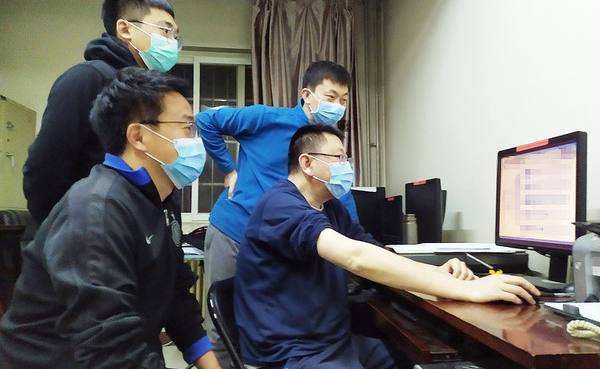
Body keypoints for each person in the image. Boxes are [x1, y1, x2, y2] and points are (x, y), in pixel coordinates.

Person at [234, 124, 541, 368]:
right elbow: (356, 258)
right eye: (338, 158)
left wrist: (436, 273)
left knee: (412, 357)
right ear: (307, 163)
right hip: (294, 351)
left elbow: (373, 251)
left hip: (334, 342)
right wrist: (467, 290)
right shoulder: (280, 205)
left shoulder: (330, 207)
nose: (346, 166)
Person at [0, 68, 220, 369]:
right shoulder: (97, 209)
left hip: (124, 349)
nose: (196, 140)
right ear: (139, 136)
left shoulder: (162, 199)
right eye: (187, 127)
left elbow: (175, 294)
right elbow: (108, 349)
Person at [196, 60, 359, 367]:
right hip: (234, 232)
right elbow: (206, 121)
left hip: (279, 247)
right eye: (331, 96)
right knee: (224, 327)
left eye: (343, 100)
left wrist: (356, 243)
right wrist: (228, 169)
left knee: (269, 326)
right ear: (307, 95)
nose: (337, 106)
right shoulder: (267, 118)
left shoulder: (327, 143)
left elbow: (340, 196)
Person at [22, 0, 182, 241]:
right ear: (125, 29)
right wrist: (69, 230)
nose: (172, 42)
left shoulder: (145, 93)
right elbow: (44, 170)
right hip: (79, 240)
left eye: (175, 36)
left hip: (123, 234)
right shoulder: (88, 78)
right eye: (165, 31)